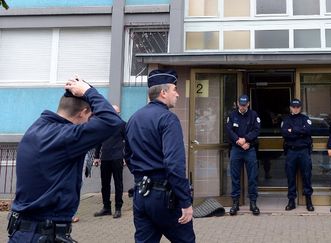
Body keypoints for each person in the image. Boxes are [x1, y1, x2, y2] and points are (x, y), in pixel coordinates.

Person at [7, 76, 123, 242]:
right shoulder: (66, 137)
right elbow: (113, 122)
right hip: (42, 233)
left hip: (25, 230)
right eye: (90, 117)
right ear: (83, 113)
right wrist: (89, 92)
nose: (88, 123)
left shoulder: (37, 127)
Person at [125, 69, 195, 242]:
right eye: (174, 89)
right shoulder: (168, 119)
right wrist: (185, 202)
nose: (177, 94)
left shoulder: (134, 118)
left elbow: (128, 156)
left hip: (141, 195)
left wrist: (142, 176)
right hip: (165, 198)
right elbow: (174, 165)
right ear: (163, 93)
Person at [226, 94, 261, 216]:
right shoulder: (232, 115)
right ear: (237, 103)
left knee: (252, 177)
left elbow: (256, 130)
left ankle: (253, 203)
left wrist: (246, 140)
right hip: (236, 149)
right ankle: (235, 203)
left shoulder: (253, 115)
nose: (242, 107)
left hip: (249, 149)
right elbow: (229, 130)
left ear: (248, 104)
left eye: (244, 105)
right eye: (241, 105)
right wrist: (238, 141)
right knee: (235, 177)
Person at [281, 98, 314, 211]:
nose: (295, 109)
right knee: (290, 177)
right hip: (291, 151)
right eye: (293, 107)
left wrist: (293, 130)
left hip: (304, 151)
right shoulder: (286, 120)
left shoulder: (305, 119)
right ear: (290, 107)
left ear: (300, 108)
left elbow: (308, 131)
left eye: (297, 107)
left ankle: (308, 201)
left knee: (306, 175)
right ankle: (291, 201)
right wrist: (300, 131)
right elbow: (285, 133)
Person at [93, 105, 126, 219]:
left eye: (117, 112)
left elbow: (128, 141)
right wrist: (96, 157)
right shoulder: (103, 125)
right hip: (105, 158)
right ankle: (106, 207)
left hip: (117, 158)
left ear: (119, 113)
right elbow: (98, 141)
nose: (115, 114)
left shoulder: (122, 124)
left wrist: (125, 157)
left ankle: (118, 208)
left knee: (118, 184)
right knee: (105, 184)